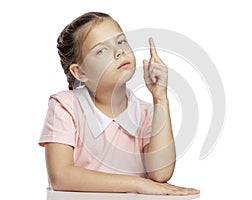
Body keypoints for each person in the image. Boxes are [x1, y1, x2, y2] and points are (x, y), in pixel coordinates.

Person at [39, 11, 200, 195]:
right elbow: (61, 177)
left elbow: (161, 173)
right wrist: (138, 184)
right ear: (80, 72)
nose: (119, 52)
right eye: (101, 50)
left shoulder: (147, 112)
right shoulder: (65, 106)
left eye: (121, 41)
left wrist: (160, 98)